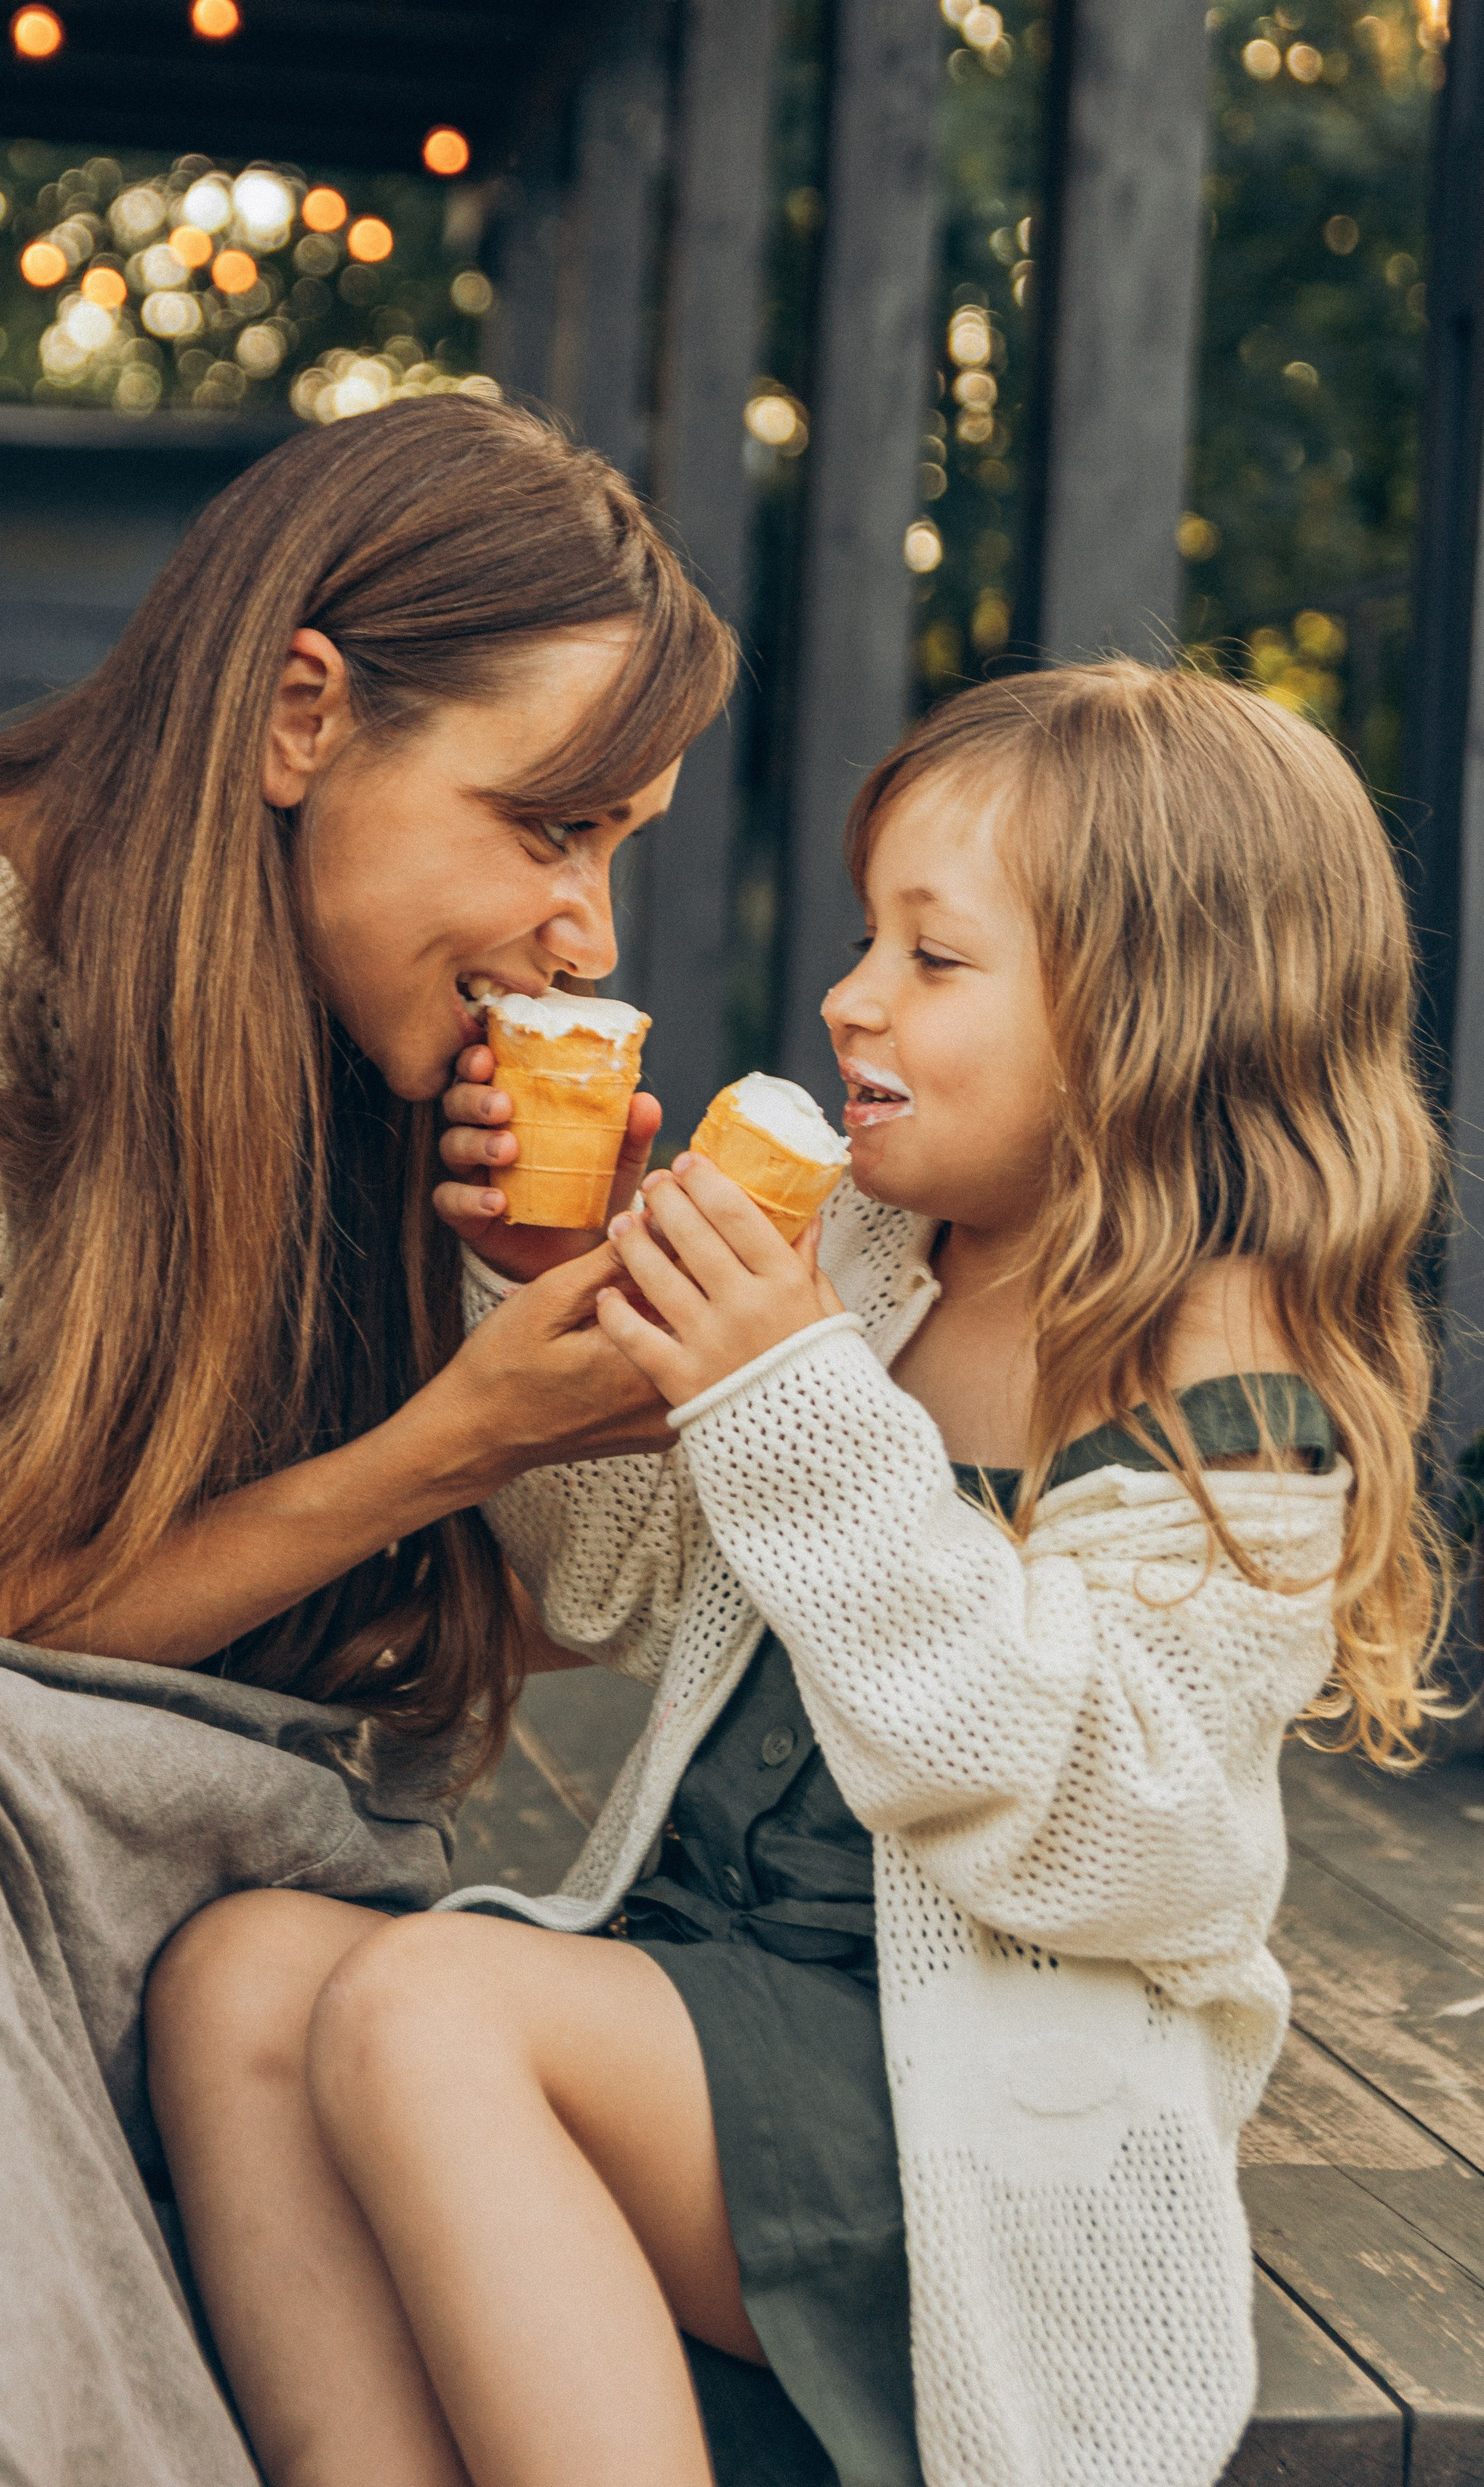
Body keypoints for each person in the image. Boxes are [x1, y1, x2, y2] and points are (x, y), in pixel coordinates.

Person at [146, 661, 1450, 2487]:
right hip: (717, 2005)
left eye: (933, 958)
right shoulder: (873, 1248)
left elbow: (1115, 1836)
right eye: (865, 941)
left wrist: (785, 1394)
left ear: (1150, 1019)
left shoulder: (1218, 1394)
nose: (848, 998)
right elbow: (615, 1581)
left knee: (426, 2008)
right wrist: (547, 1278)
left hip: (975, 2114)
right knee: (238, 1980)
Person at [0, 397, 733, 1752]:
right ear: (304, 719)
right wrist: (444, 1448)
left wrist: (528, 1281)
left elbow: (628, 1605)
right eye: (555, 828)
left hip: (266, 1901)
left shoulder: (395, 1041)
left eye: (619, 843)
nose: (597, 937)